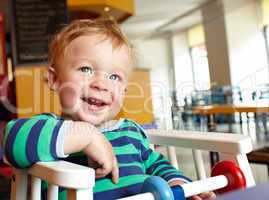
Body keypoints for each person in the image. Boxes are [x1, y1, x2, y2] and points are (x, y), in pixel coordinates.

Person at [3, 19, 215, 200]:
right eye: (86, 69)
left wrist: (178, 183)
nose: (101, 84)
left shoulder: (131, 131)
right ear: (55, 79)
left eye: (114, 77)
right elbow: (12, 142)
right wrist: (86, 136)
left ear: (123, 91)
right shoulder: (50, 129)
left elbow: (156, 163)